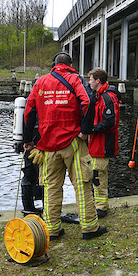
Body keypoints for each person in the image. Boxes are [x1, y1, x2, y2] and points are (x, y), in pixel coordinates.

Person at [23, 52, 106, 240]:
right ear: (71, 64)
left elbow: (29, 111)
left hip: (47, 145)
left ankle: (52, 229)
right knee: (82, 185)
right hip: (73, 142)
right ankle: (89, 228)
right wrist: (85, 130)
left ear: (53, 64)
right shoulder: (75, 79)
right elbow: (87, 101)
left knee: (51, 187)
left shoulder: (41, 82)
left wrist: (28, 140)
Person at [86, 67, 120, 219]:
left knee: (99, 174)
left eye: (91, 79)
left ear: (98, 81)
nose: (89, 82)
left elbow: (111, 122)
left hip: (103, 143)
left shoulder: (107, 98)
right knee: (96, 173)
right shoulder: (99, 96)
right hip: (97, 143)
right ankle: (99, 204)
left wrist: (91, 130)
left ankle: (101, 207)